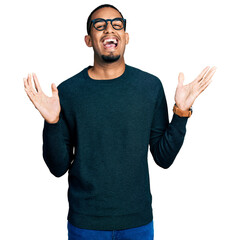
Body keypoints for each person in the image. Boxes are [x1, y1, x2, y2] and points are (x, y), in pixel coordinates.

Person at [23, 4, 217, 240]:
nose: (109, 30)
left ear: (126, 37)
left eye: (117, 25)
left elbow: (163, 158)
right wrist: (52, 123)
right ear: (88, 40)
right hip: (86, 223)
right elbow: (57, 168)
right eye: (99, 26)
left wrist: (181, 112)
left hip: (138, 222)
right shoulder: (67, 92)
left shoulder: (149, 87)